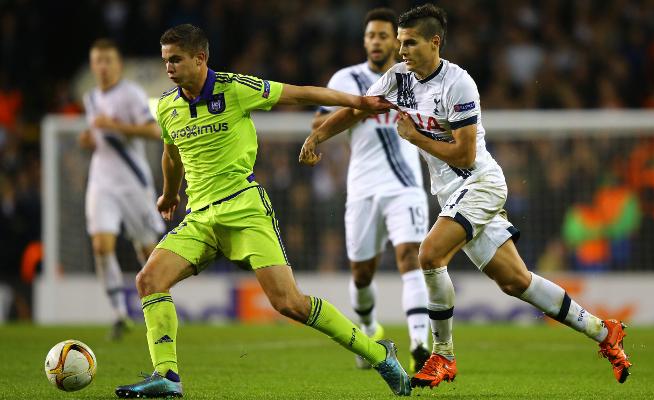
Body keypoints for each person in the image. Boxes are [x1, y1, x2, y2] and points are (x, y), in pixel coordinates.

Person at [300, 3, 632, 390]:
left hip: (480, 184)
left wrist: (414, 136)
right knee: (516, 282)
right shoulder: (399, 77)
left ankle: (443, 355)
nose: (401, 50)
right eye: (400, 43)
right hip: (450, 193)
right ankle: (603, 331)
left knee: (429, 254)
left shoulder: (458, 83)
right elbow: (362, 108)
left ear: (434, 42)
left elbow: (465, 154)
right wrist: (318, 134)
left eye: (409, 43)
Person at [114, 24, 411, 398]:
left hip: (244, 210)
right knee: (148, 281)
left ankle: (380, 355)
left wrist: (359, 102)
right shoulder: (167, 106)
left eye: (175, 59)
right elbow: (170, 155)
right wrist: (168, 194)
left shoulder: (234, 88)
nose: (169, 68)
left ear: (200, 58)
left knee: (290, 304)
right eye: (165, 61)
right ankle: (167, 377)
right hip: (199, 218)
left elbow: (301, 94)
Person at [311, 8, 430, 373]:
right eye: (370, 36)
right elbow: (318, 120)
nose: (376, 41)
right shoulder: (347, 78)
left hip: (406, 185)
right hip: (362, 187)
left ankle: (420, 345)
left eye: (383, 35)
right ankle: (368, 331)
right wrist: (363, 106)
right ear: (364, 41)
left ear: (395, 41)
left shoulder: (413, 79)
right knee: (361, 273)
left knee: (411, 256)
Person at [80, 39, 165, 340]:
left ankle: (160, 310)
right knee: (101, 246)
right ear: (93, 65)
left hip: (132, 183)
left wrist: (117, 127)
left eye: (108, 60)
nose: (102, 66)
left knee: (147, 251)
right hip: (101, 181)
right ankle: (119, 315)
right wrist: (91, 139)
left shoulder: (131, 94)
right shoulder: (90, 98)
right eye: (97, 61)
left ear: (118, 65)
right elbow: (99, 134)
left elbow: (154, 131)